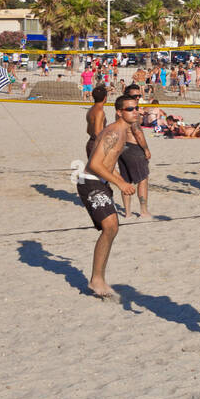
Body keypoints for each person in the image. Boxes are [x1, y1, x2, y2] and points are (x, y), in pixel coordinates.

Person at [79, 94, 141, 298]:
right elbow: (94, 164)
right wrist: (120, 182)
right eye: (130, 109)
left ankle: (98, 278)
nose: (136, 111)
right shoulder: (115, 132)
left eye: (136, 108)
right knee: (111, 226)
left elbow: (107, 162)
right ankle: (97, 280)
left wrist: (117, 177)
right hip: (90, 181)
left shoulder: (123, 131)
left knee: (112, 228)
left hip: (99, 181)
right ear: (119, 112)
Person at [117, 84, 154, 217]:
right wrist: (146, 149)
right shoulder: (133, 112)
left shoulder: (121, 109)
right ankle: (143, 211)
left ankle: (127, 213)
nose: (138, 98)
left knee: (125, 181)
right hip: (133, 148)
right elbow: (137, 132)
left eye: (139, 95)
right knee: (143, 180)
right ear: (127, 94)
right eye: (135, 96)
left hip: (121, 147)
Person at [85, 85, 109, 158]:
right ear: (105, 98)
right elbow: (97, 132)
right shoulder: (99, 112)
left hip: (91, 143)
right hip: (97, 145)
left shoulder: (90, 110)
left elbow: (88, 130)